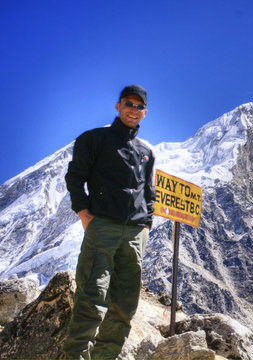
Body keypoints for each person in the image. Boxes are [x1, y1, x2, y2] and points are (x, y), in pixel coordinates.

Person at [63, 85, 156, 360]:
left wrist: (147, 224)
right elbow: (75, 177)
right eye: (129, 103)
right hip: (102, 226)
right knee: (92, 299)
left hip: (135, 234)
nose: (133, 110)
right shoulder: (94, 139)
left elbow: (148, 192)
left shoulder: (146, 152)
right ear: (118, 106)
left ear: (145, 113)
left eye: (139, 107)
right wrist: (83, 213)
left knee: (125, 305)